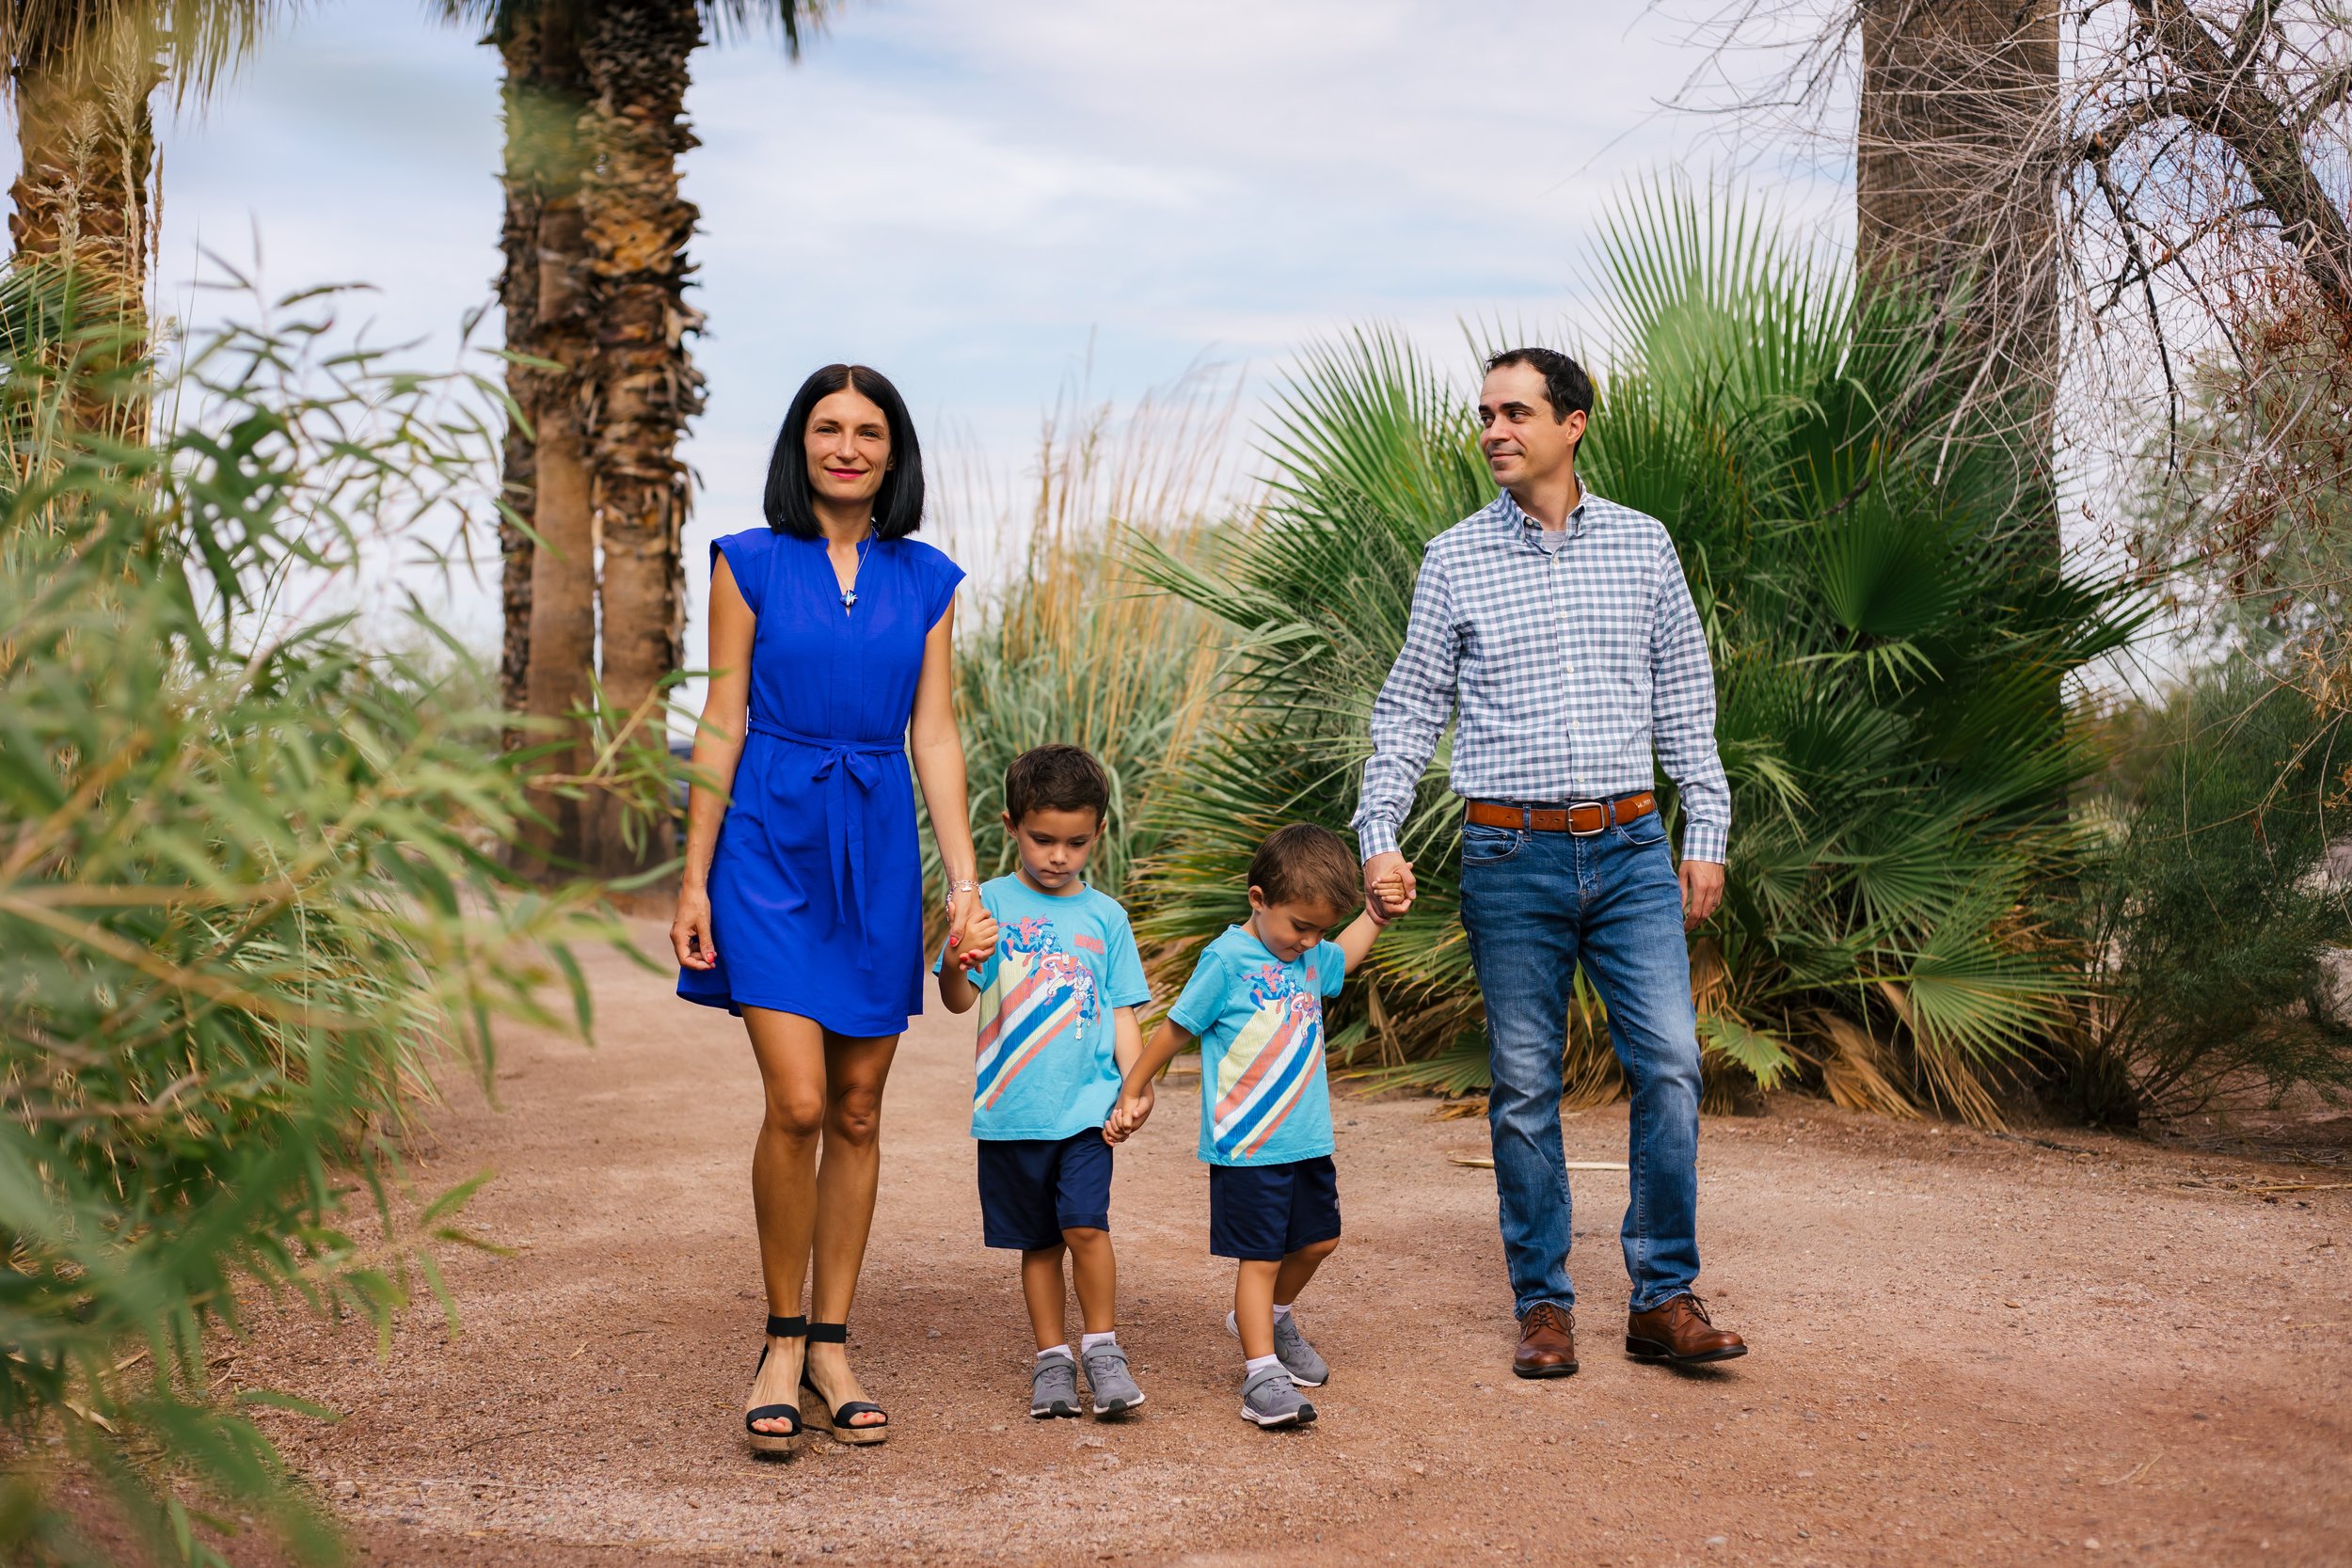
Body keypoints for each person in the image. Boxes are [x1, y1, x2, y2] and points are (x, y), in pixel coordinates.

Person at [1353, 346, 1748, 1380]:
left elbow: (1682, 695)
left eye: (1515, 411)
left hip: (1627, 848)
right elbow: (1406, 711)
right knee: (1524, 1086)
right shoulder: (1453, 559)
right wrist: (1378, 829)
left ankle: (1661, 1295)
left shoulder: (1643, 545)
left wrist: (1702, 825)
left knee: (1668, 1062)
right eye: (1484, 413)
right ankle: (1544, 1304)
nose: (1493, 429)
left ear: (1573, 422)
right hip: (1508, 852)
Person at [671, 363, 1000, 1456]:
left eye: (868, 430)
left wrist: (962, 885)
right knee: (801, 1100)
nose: (847, 446)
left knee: (859, 1109)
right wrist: (691, 874)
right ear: (798, 442)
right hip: (766, 836)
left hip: (872, 845)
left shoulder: (930, 579)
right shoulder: (746, 561)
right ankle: (776, 1336)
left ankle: (830, 1343)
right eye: (827, 427)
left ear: (894, 453)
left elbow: (936, 736)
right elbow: (719, 717)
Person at [1109, 825, 1410, 1429]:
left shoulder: (1308, 956)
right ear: (1258, 899)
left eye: (1320, 929)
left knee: (1320, 1241)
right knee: (1261, 1258)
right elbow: (1176, 1029)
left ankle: (1269, 1317)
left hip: (1307, 1139)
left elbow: (1342, 957)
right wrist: (1134, 1085)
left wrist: (1375, 913)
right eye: (1300, 926)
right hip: (1247, 1145)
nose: (1310, 941)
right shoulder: (1227, 960)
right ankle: (1260, 1375)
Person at [936, 745, 1152, 1422]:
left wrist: (1134, 1087)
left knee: (1086, 1225)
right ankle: (1051, 1357)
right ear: (1011, 824)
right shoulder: (987, 905)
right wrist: (952, 956)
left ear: (1098, 834)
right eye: (1043, 838)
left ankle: (1104, 1348)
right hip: (1012, 1110)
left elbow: (1122, 1011)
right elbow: (957, 1000)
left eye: (1076, 841)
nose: (1059, 855)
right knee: (1039, 1243)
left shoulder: (1107, 918)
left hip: (1085, 1108)